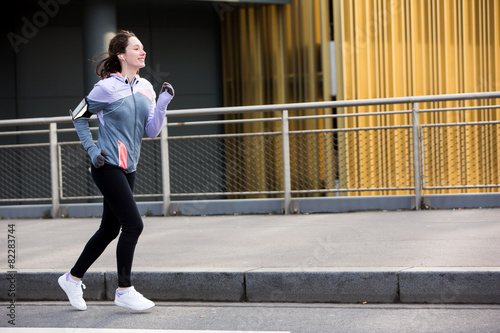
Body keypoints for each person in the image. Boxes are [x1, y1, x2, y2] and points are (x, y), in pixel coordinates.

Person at [58, 30, 174, 311]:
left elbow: (152, 131)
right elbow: (78, 117)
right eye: (137, 48)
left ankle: (72, 279)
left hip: (129, 166)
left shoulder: (145, 86)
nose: (142, 52)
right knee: (134, 224)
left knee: (110, 228)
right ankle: (124, 289)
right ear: (122, 55)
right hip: (106, 164)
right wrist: (93, 150)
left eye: (143, 48)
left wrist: (162, 104)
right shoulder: (106, 88)